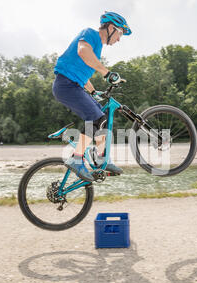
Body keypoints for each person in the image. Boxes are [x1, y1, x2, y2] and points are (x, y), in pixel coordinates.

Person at [52, 12, 132, 182]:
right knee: (95, 118)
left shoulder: (97, 47)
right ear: (111, 28)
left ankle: (102, 158)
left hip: (73, 85)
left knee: (100, 117)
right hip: (66, 85)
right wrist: (106, 73)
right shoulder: (90, 34)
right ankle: (76, 158)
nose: (119, 39)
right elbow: (82, 52)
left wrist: (94, 92)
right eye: (120, 34)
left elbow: (82, 72)